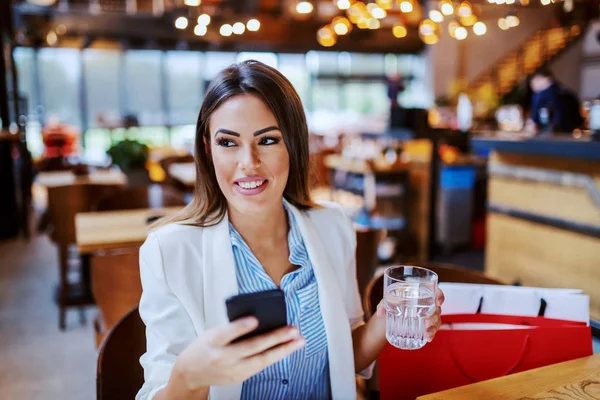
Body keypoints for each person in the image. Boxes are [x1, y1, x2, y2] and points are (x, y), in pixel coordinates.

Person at [136, 60, 444, 400]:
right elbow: (158, 391)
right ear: (207, 149)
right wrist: (188, 374)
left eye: (267, 140)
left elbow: (344, 360)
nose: (248, 163)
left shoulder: (333, 226)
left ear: (293, 145)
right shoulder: (168, 252)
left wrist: (384, 322)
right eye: (228, 143)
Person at [529, 68, 583, 133]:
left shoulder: (540, 95)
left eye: (533, 83)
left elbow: (534, 120)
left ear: (539, 78)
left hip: (548, 134)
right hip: (570, 133)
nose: (533, 87)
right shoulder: (568, 93)